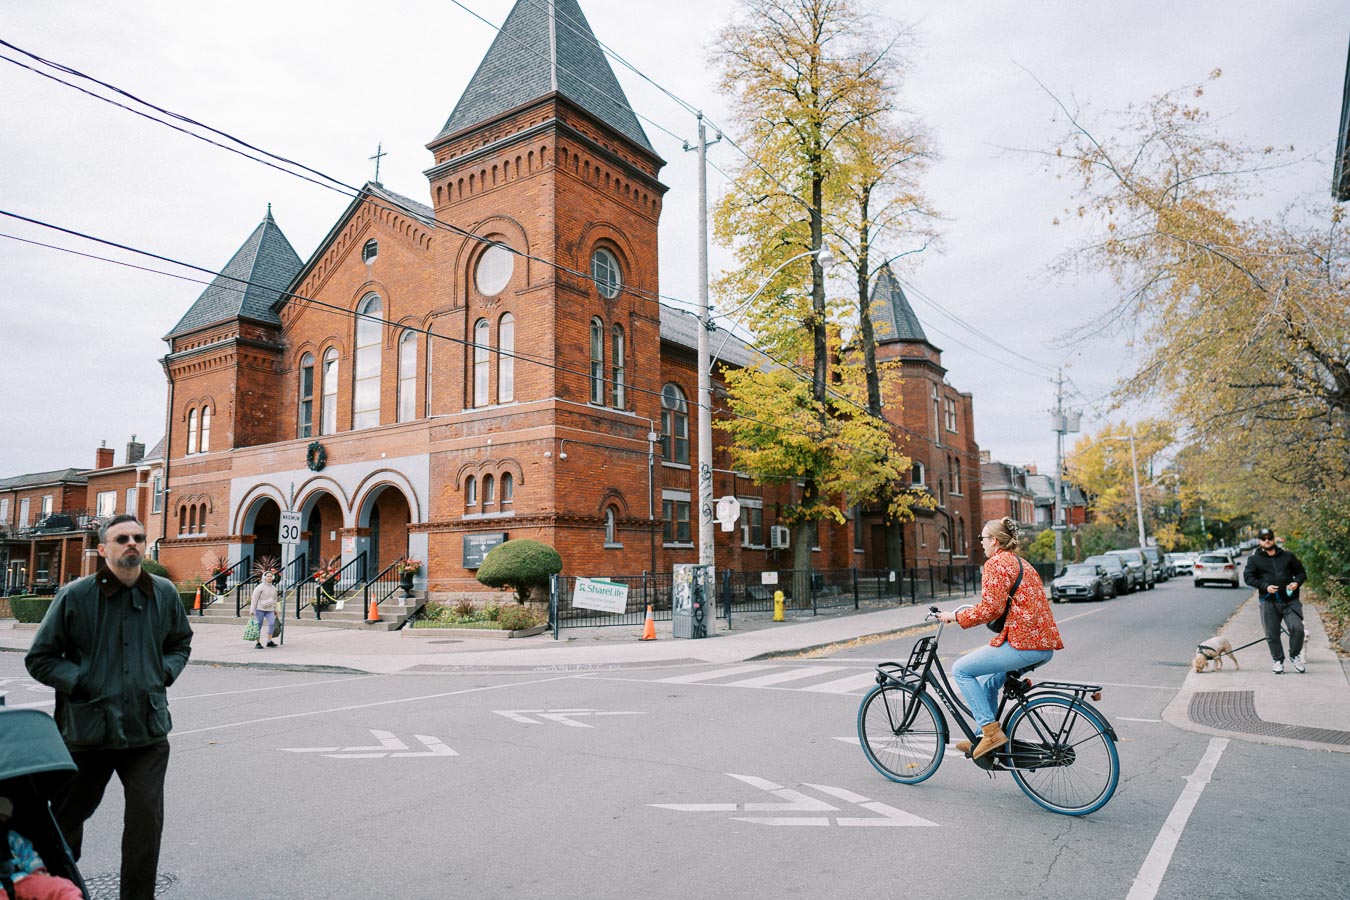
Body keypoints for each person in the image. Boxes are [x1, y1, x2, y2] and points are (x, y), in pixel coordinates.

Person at [25, 514, 193, 900]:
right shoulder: (76, 596)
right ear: (103, 549)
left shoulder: (164, 593)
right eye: (121, 538)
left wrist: (161, 674)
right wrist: (83, 681)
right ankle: (51, 890)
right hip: (88, 732)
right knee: (65, 823)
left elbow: (180, 643)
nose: (131, 543)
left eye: (137, 537)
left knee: (145, 826)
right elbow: (40, 658)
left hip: (147, 732)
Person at [937, 517, 1064, 759]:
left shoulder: (996, 564)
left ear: (994, 540)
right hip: (1042, 646)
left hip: (1024, 645)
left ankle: (991, 732)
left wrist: (955, 616)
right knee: (987, 682)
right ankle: (981, 738)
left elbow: (990, 609)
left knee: (961, 670)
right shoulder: (1021, 563)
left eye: (983, 538)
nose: (981, 543)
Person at [1243, 527, 1307, 674]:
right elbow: (1248, 578)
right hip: (1268, 601)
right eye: (1264, 539)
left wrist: (1296, 582)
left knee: (1297, 628)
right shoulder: (1254, 560)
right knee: (1272, 633)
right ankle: (1278, 660)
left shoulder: (1288, 556)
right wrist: (1265, 586)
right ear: (1259, 541)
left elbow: (1301, 573)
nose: (1267, 541)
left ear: (1274, 538)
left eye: (1269, 538)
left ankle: (1294, 655)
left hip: (1290, 601)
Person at [1, 797, 83, 900]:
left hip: (22, 880)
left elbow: (27, 854)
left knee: (61, 887)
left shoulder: (11, 837)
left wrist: (37, 870)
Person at [249, 569, 279, 649]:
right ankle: (258, 643)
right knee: (259, 625)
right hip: (260, 609)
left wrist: (275, 609)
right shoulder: (259, 587)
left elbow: (275, 599)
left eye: (271, 576)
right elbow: (254, 599)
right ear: (264, 577)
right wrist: (252, 610)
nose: (269, 577)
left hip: (270, 609)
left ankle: (269, 641)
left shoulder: (273, 588)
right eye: (268, 576)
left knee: (272, 623)